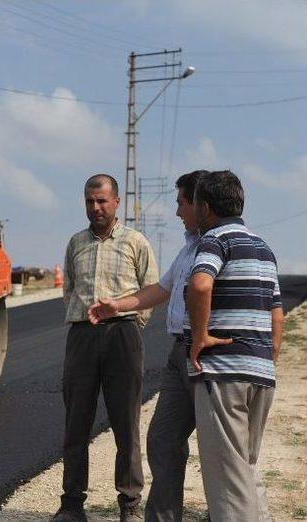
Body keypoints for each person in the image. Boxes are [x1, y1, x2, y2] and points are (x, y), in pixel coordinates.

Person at [88, 170, 203, 521]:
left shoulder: (218, 246)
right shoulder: (188, 249)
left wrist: (130, 322)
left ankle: (231, 512)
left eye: (181, 203)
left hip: (203, 356)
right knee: (163, 440)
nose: (176, 211)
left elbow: (171, 289)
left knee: (219, 449)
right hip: (174, 352)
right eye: (89, 201)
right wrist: (116, 305)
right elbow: (161, 289)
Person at [55, 174, 158, 522]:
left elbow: (151, 290)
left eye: (101, 201)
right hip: (82, 338)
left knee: (125, 424)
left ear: (116, 202)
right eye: (89, 201)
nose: (95, 207)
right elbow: (68, 290)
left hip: (122, 337)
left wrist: (131, 325)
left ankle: (129, 505)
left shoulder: (135, 242)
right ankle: (71, 505)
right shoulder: (75, 243)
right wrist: (83, 323)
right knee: (76, 424)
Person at [185, 170, 283, 521]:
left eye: (194, 203)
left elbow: (199, 285)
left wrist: (199, 337)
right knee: (246, 468)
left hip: (224, 374)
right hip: (260, 374)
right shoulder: (264, 248)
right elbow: (277, 313)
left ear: (206, 207)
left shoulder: (214, 241)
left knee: (227, 481)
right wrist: (266, 357)